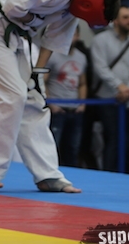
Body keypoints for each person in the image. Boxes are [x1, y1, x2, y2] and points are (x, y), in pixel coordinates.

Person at [0, 0, 120, 191]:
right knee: (12, 97)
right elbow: (12, 4)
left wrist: (37, 74)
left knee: (34, 100)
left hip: (18, 38)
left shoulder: (74, 2)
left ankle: (47, 175)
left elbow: (52, 42)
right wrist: (31, 19)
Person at [90, 5, 129, 172]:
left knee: (128, 141)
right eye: (125, 17)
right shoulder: (100, 40)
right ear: (115, 20)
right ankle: (109, 174)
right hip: (107, 98)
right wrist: (119, 86)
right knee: (113, 139)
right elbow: (100, 68)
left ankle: (124, 176)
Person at [45, 25, 88, 167]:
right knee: (53, 146)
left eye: (74, 34)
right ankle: (49, 172)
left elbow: (82, 83)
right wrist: (51, 104)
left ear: (78, 36)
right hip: (57, 109)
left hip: (75, 109)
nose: (71, 38)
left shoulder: (81, 57)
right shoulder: (52, 56)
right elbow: (43, 81)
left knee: (73, 148)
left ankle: (72, 175)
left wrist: (82, 104)